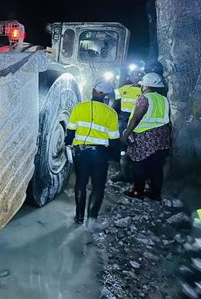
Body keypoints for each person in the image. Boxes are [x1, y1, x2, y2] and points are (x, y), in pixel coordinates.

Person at [65, 82, 119, 228]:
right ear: (106, 96)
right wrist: (115, 157)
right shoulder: (111, 113)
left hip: (81, 153)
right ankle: (92, 220)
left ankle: (79, 218)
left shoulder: (79, 107)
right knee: (98, 187)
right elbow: (114, 139)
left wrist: (68, 144)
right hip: (100, 155)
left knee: (81, 184)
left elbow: (70, 132)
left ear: (93, 91)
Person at [121, 73, 171, 201]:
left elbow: (137, 117)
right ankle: (155, 193)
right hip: (162, 136)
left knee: (139, 164)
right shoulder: (163, 99)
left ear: (146, 86)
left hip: (146, 136)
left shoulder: (144, 98)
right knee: (156, 166)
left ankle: (138, 192)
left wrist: (126, 134)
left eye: (142, 85)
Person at [111, 69, 144, 181]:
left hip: (138, 122)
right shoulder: (124, 89)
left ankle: (134, 175)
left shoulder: (144, 91)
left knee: (136, 146)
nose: (136, 77)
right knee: (122, 146)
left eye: (139, 75)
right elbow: (113, 99)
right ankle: (123, 172)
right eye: (134, 75)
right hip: (124, 120)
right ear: (130, 77)